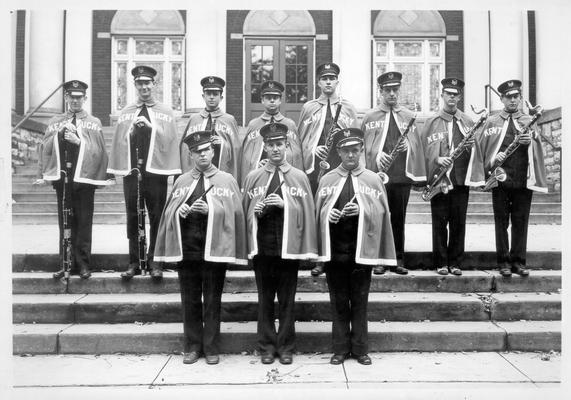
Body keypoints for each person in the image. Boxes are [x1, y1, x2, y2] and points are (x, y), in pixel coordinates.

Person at [154, 130, 247, 365]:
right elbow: (168, 214)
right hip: (188, 249)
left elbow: (236, 214)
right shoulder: (182, 181)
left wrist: (212, 210)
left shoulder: (226, 180)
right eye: (197, 152)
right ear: (191, 155)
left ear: (213, 151)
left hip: (215, 249)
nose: (202, 155)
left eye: (206, 150)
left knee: (213, 299)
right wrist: (179, 212)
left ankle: (212, 346)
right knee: (190, 299)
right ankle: (193, 346)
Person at [315, 127, 396, 366]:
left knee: (360, 301)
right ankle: (340, 348)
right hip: (335, 250)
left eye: (355, 150)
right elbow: (316, 211)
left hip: (362, 250)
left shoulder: (372, 178)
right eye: (346, 151)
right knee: (338, 300)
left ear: (361, 150)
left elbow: (382, 212)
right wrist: (327, 214)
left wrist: (363, 210)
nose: (351, 155)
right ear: (338, 152)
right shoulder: (327, 179)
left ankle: (360, 348)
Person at [242, 122, 317, 365]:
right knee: (264, 299)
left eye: (279, 144)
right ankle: (266, 346)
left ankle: (285, 346)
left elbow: (307, 211)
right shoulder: (253, 177)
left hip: (289, 248)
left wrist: (287, 205)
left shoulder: (298, 177)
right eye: (271, 145)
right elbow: (245, 212)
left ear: (287, 146)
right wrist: (258, 210)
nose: (275, 149)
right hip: (263, 247)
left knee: (287, 299)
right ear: (264, 147)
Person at [467, 79, 547, 277]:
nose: (513, 100)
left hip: (522, 178)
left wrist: (531, 142)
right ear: (501, 98)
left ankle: (519, 261)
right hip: (500, 178)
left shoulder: (529, 120)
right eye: (508, 97)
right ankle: (503, 261)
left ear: (520, 98)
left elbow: (538, 149)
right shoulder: (492, 121)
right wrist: (494, 159)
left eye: (516, 96)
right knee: (501, 221)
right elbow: (482, 149)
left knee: (521, 221)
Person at [107, 66, 181, 280]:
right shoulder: (127, 111)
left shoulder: (165, 111)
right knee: (133, 216)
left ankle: (155, 261)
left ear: (154, 84)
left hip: (156, 173)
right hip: (133, 172)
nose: (144, 87)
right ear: (135, 85)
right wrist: (131, 131)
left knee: (157, 216)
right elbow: (119, 142)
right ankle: (134, 262)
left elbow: (170, 140)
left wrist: (151, 127)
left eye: (148, 83)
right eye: (140, 83)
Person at [36, 80, 111, 279]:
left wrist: (79, 142)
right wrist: (59, 136)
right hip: (63, 179)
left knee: (84, 222)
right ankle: (65, 263)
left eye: (79, 97)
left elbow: (100, 151)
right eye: (71, 96)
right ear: (66, 98)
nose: (75, 100)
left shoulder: (94, 122)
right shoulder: (55, 121)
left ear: (85, 98)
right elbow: (46, 147)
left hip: (85, 181)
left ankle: (84, 264)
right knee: (65, 222)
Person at [361, 71, 426, 276]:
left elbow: (418, 145)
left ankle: (398, 258)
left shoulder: (408, 116)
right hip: (378, 176)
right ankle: (379, 259)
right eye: (387, 90)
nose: (391, 94)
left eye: (395, 90)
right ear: (380, 91)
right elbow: (363, 147)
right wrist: (377, 155)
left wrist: (409, 146)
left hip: (401, 176)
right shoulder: (371, 116)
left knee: (399, 218)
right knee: (379, 216)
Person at [297, 62, 358, 276]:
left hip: (340, 165)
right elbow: (301, 139)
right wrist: (315, 150)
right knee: (321, 210)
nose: (328, 82)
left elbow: (355, 139)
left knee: (341, 208)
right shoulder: (309, 107)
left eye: (332, 78)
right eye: (324, 79)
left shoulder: (348, 107)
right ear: (319, 82)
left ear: (337, 81)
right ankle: (320, 258)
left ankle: (342, 257)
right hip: (317, 167)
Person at [421, 78, 475, 276]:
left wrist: (472, 149)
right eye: (448, 93)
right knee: (439, 222)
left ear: (460, 97)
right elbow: (424, 150)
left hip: (460, 179)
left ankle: (456, 262)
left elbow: (477, 152)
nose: (452, 97)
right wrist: (437, 159)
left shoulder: (468, 121)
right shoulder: (432, 122)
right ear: (442, 95)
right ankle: (441, 262)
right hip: (440, 179)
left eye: (456, 94)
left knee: (459, 222)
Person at [240, 80, 303, 187]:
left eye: (275, 98)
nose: (272, 101)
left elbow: (297, 155)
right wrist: (257, 165)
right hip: (260, 176)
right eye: (268, 98)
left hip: (284, 177)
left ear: (280, 101)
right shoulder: (254, 124)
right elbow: (247, 157)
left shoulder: (289, 124)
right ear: (262, 100)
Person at [180, 76, 242, 180]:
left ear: (221, 97)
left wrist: (222, 143)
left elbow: (236, 149)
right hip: (197, 169)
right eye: (208, 94)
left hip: (220, 168)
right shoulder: (194, 119)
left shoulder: (229, 120)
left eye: (215, 94)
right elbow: (185, 148)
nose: (211, 97)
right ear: (203, 96)